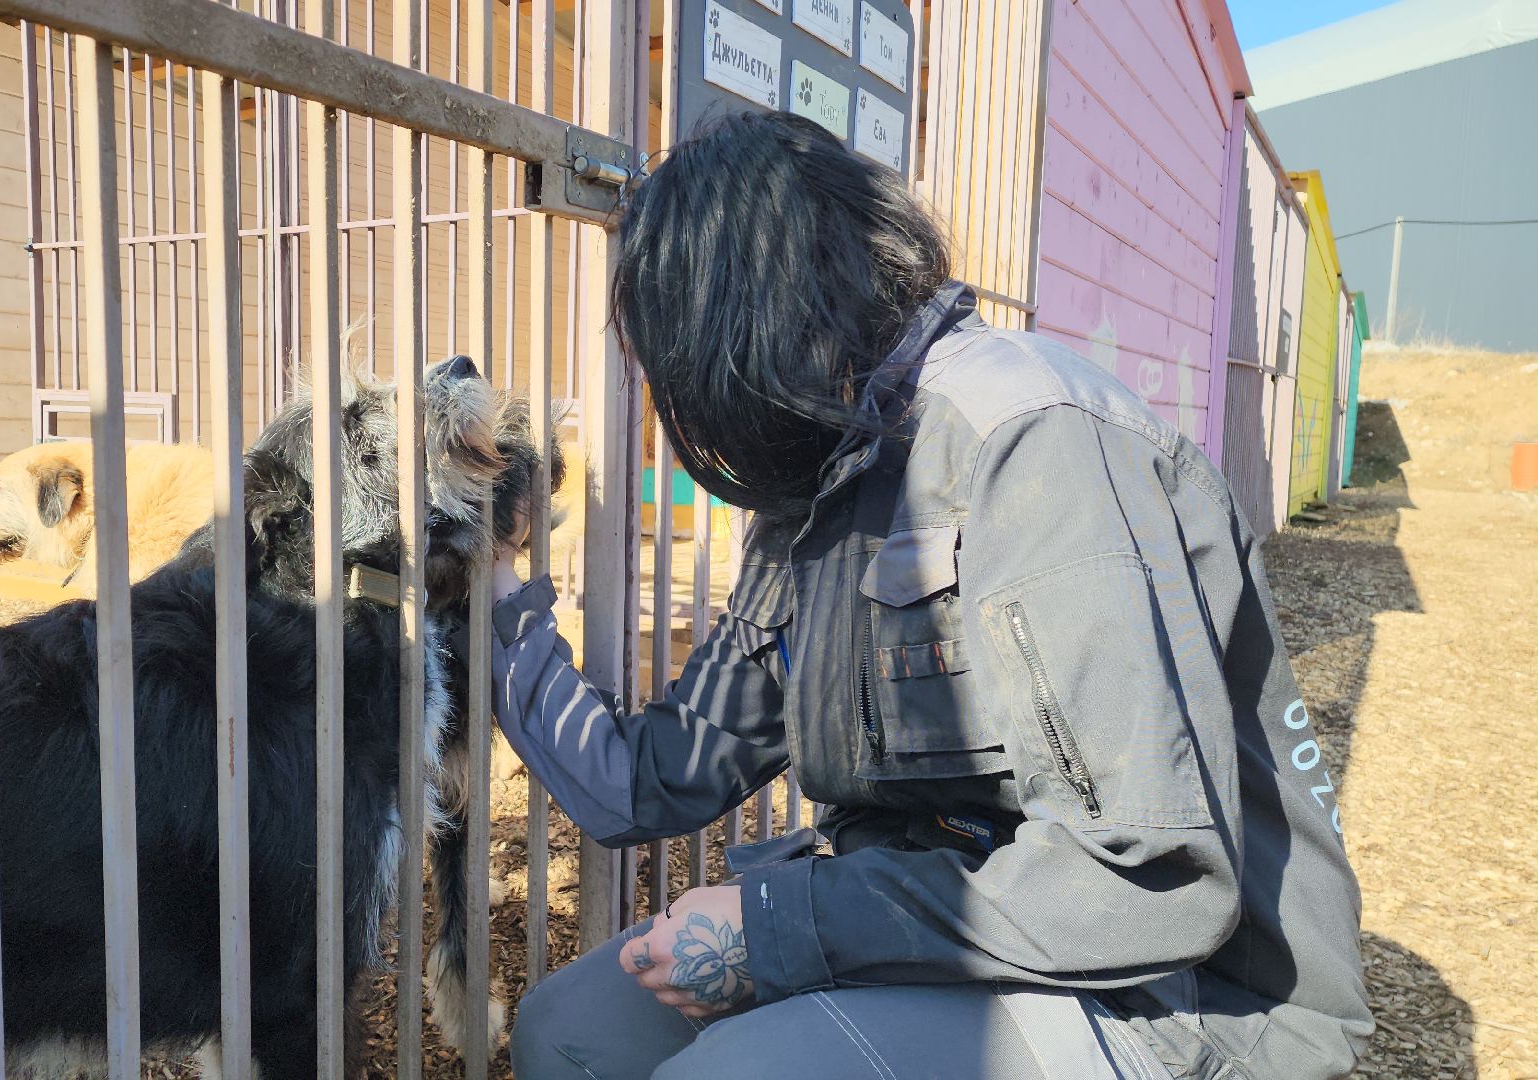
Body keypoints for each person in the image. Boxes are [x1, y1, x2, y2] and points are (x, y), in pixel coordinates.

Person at [482, 112, 1372, 1080]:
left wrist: (781, 926)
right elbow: (648, 779)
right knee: (567, 1033)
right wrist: (490, 585)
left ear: (749, 322)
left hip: (1175, 997)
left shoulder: (1029, 442)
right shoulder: (819, 479)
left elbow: (1149, 881)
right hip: (948, 927)